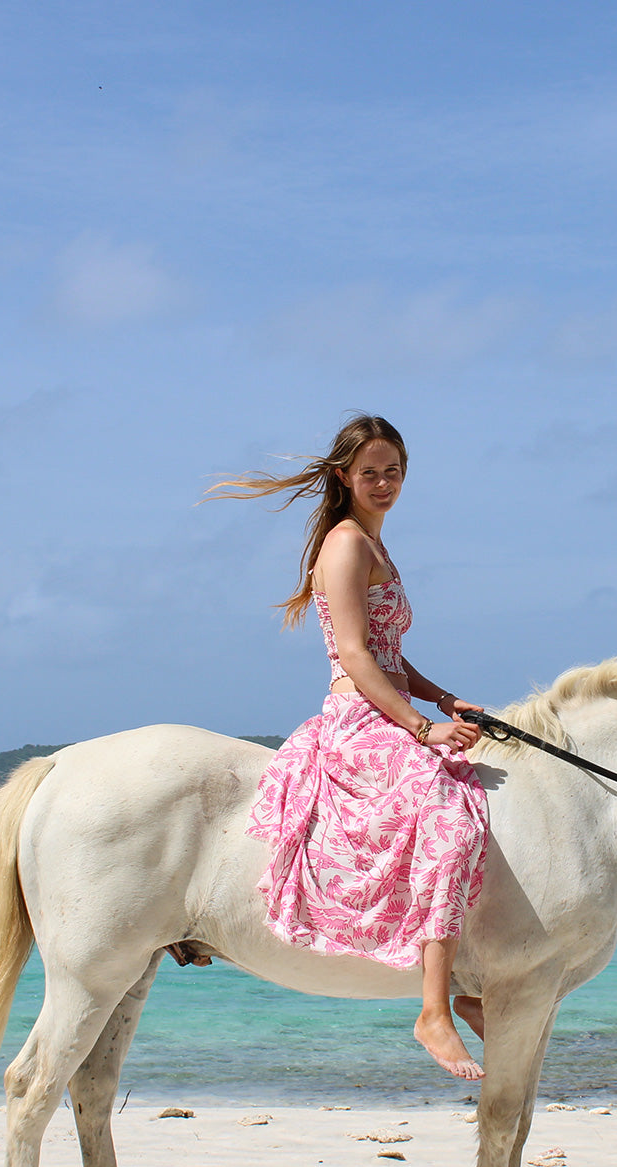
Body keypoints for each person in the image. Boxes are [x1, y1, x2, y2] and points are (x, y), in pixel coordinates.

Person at [209, 414, 489, 1080]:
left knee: (482, 801)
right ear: (344, 476)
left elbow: (393, 655)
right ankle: (433, 1009)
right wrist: (422, 728)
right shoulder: (345, 545)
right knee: (446, 816)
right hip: (358, 719)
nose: (384, 483)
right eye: (371, 473)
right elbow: (359, 658)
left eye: (394, 471)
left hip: (390, 707)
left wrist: (444, 698)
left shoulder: (376, 544)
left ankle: (475, 981)